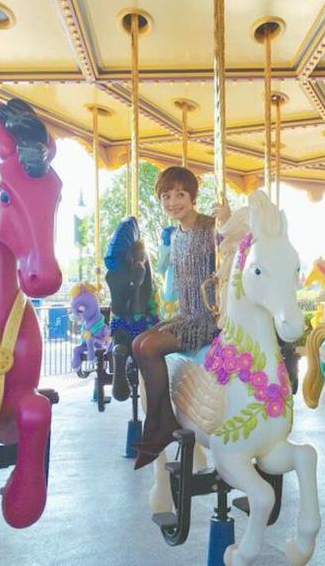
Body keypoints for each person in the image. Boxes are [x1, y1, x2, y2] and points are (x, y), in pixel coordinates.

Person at [132, 166, 230, 469]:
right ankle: (162, 419)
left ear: (192, 197)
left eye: (180, 194)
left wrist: (227, 221)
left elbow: (238, 247)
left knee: (150, 347)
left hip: (207, 317)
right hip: (185, 314)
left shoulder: (210, 227)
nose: (173, 202)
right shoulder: (176, 236)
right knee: (137, 343)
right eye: (166, 196)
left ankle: (157, 425)